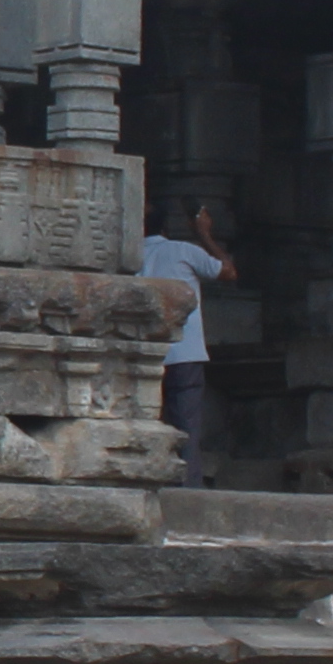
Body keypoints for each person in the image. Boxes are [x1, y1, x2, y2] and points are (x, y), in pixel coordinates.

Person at [137, 196, 231, 484]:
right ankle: (188, 487)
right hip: (183, 353)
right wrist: (202, 232)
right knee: (186, 425)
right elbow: (227, 271)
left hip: (142, 353)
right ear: (165, 226)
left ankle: (147, 481)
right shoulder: (184, 251)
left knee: (143, 422)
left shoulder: (128, 256)